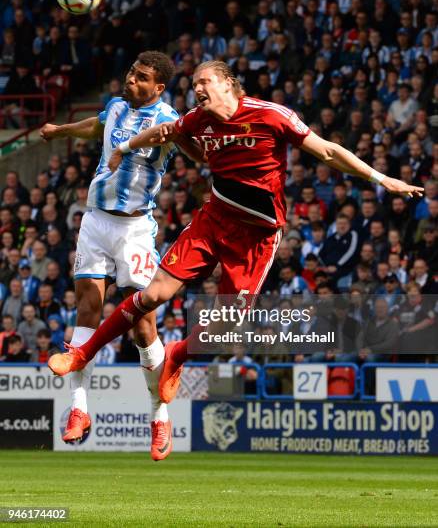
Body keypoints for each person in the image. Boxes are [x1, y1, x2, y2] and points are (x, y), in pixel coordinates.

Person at [48, 60, 423, 412]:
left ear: (228, 83)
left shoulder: (271, 115)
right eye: (193, 84)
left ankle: (178, 355)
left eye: (204, 81)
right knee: (153, 295)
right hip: (213, 220)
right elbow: (162, 131)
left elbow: (326, 152)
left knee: (226, 325)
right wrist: (125, 148)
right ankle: (83, 352)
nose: (196, 89)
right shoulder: (197, 119)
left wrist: (381, 179)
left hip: (256, 237)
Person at [41, 51, 203, 460]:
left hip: (134, 229)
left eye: (141, 77)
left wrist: (186, 138)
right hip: (95, 220)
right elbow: (94, 127)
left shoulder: (167, 120)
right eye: (132, 73)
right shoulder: (115, 106)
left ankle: (159, 413)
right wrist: (60, 130)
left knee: (143, 327)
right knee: (86, 311)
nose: (131, 80)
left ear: (159, 87)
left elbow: (198, 155)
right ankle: (79, 410)